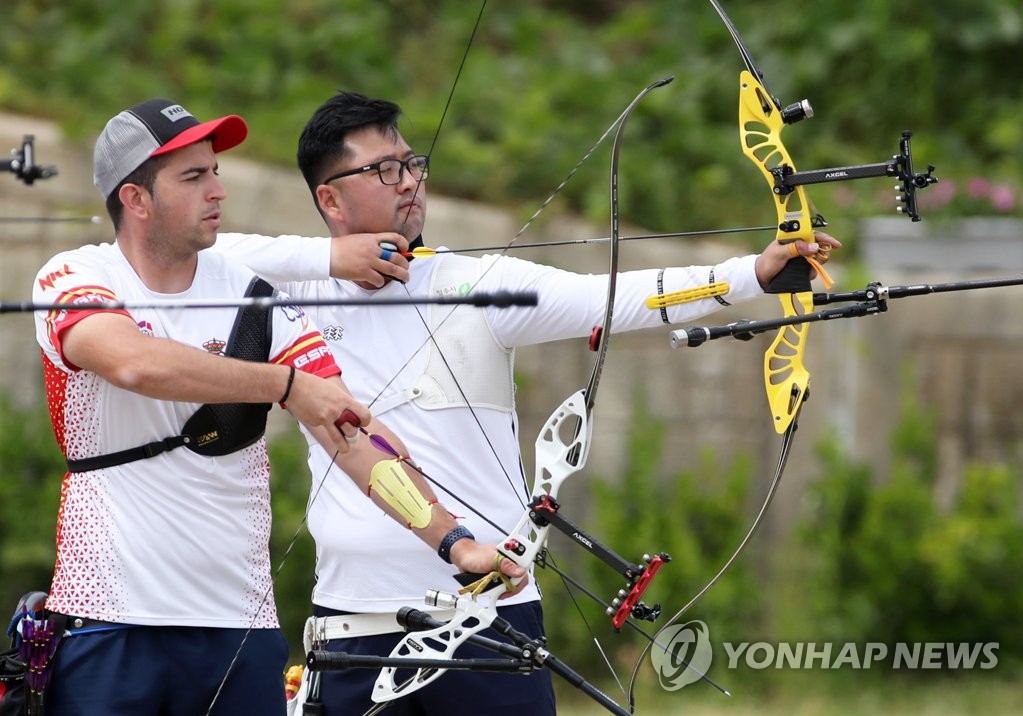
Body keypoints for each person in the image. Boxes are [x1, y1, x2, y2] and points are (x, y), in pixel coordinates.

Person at [213, 90, 841, 715]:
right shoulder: (289, 290)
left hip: (487, 618)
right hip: (352, 628)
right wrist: (329, 259)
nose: (409, 182)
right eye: (384, 170)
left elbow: (614, 297)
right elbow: (195, 251)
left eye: (412, 164)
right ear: (330, 198)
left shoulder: (475, 285)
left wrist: (752, 274)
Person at [32, 97, 522, 716]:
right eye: (193, 177)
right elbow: (132, 362)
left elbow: (351, 434)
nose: (218, 190)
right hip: (109, 618)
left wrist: (454, 541)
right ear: (136, 200)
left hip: (242, 628)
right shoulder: (74, 275)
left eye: (215, 171)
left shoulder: (253, 294)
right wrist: (284, 384)